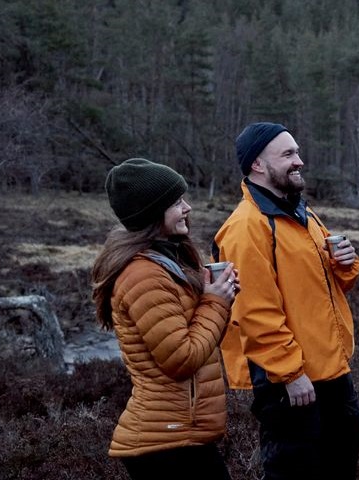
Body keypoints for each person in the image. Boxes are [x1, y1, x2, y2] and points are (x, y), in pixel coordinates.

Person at [213, 122, 359, 479]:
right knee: (295, 468)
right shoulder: (246, 227)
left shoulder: (303, 214)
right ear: (258, 165)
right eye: (288, 154)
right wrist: (290, 373)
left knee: (344, 450)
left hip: (330, 368)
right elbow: (254, 312)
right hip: (290, 380)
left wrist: (346, 262)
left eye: (297, 152)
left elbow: (338, 280)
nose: (299, 161)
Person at [90, 158, 239, 479]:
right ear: (151, 213)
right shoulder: (143, 275)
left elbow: (199, 341)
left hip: (181, 437)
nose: (187, 207)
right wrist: (216, 303)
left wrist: (216, 297)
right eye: (176, 202)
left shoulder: (169, 262)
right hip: (166, 445)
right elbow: (181, 359)